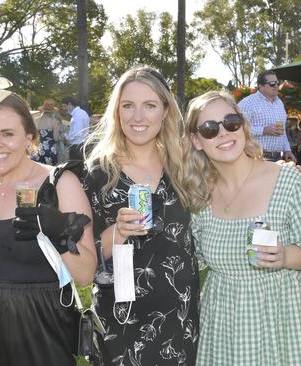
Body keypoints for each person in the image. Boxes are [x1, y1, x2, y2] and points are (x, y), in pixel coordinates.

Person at [0, 76, 96, 366]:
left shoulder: (60, 184)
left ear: (30, 136)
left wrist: (60, 235)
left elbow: (86, 274)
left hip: (37, 330)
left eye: (7, 133)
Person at [181, 90, 301, 365]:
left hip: (275, 325)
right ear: (196, 141)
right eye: (209, 129)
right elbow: (189, 259)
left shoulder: (290, 183)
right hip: (220, 327)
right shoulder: (199, 196)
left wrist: (283, 256)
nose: (223, 134)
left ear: (243, 126)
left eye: (230, 122)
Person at [82, 66, 199, 365]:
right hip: (120, 319)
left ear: (165, 112)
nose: (138, 117)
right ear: (116, 112)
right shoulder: (98, 174)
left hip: (178, 315)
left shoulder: (183, 166)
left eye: (149, 105)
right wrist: (117, 232)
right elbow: (82, 259)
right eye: (128, 105)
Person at [238, 70, 296, 162]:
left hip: (278, 159)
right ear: (261, 86)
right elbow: (239, 130)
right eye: (272, 83)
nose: (276, 86)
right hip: (256, 158)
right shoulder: (247, 103)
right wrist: (264, 130)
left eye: (277, 82)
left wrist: (287, 150)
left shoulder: (279, 103)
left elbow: (282, 131)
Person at [32, 99, 60, 165]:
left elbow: (34, 136)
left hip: (40, 149)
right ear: (53, 111)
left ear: (43, 110)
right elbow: (56, 138)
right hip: (51, 150)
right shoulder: (55, 122)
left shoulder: (37, 120)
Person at [63, 96, 90, 161]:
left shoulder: (78, 115)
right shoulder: (80, 113)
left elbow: (77, 133)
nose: (64, 108)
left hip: (77, 147)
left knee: (75, 169)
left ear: (69, 104)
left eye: (64, 106)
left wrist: (66, 137)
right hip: (80, 145)